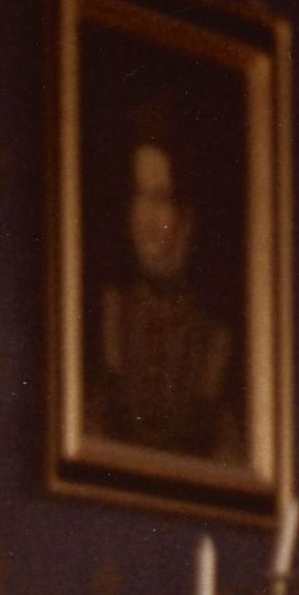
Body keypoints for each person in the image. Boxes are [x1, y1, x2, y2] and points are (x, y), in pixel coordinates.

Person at [96, 103, 242, 463]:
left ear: (186, 214)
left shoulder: (214, 336)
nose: (147, 217)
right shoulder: (109, 314)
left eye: (161, 198)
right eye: (139, 195)